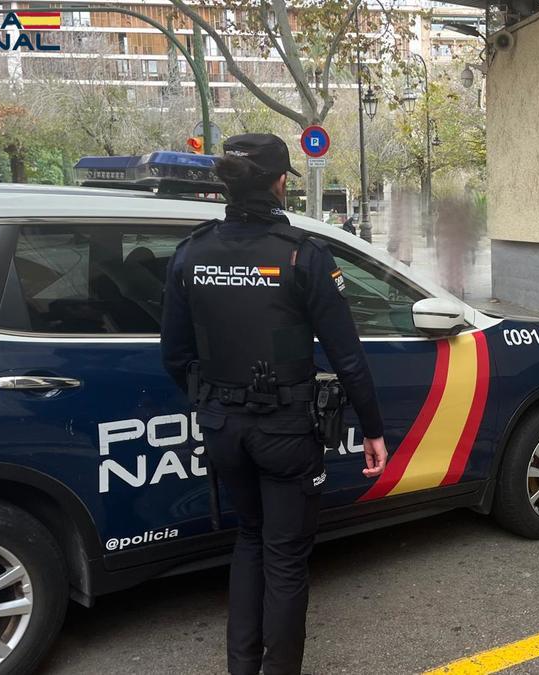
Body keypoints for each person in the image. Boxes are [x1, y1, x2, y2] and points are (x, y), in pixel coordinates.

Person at [160, 133, 389, 675]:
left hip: (222, 428)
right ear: (281, 181)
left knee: (249, 538)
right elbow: (348, 356)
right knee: (285, 558)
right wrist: (373, 429)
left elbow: (173, 355)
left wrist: (215, 396)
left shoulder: (191, 252)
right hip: (285, 431)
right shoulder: (302, 254)